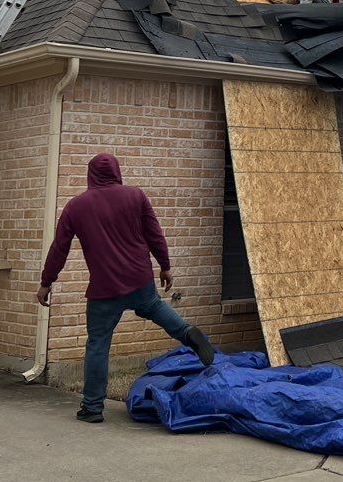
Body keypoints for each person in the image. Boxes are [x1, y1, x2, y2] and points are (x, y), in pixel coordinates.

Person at [38, 153, 216, 423]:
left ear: (90, 175)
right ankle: (189, 333)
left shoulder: (76, 206)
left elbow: (59, 248)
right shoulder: (135, 196)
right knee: (155, 307)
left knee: (98, 344)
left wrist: (46, 282)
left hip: (104, 288)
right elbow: (154, 232)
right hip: (139, 278)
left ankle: (93, 408)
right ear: (117, 172)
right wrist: (165, 265)